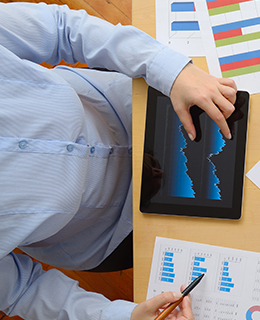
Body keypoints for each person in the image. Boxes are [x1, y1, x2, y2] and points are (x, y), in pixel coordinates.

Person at [0, 2, 238, 320]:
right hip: (114, 232)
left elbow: (60, 29)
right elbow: (23, 292)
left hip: (127, 108)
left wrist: (170, 69)